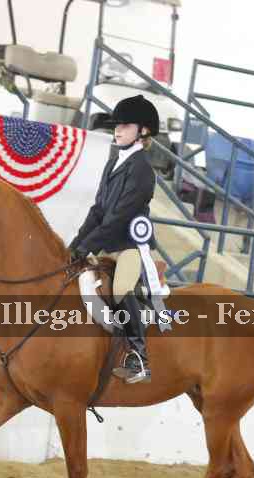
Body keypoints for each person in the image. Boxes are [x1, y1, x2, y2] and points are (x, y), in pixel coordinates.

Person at [68, 95, 160, 384]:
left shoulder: (143, 169)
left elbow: (119, 216)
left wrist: (88, 247)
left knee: (120, 288)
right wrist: (75, 245)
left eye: (125, 125)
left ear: (143, 131)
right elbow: (99, 210)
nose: (117, 130)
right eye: (116, 126)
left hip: (130, 246)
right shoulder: (112, 164)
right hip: (107, 243)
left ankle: (138, 357)